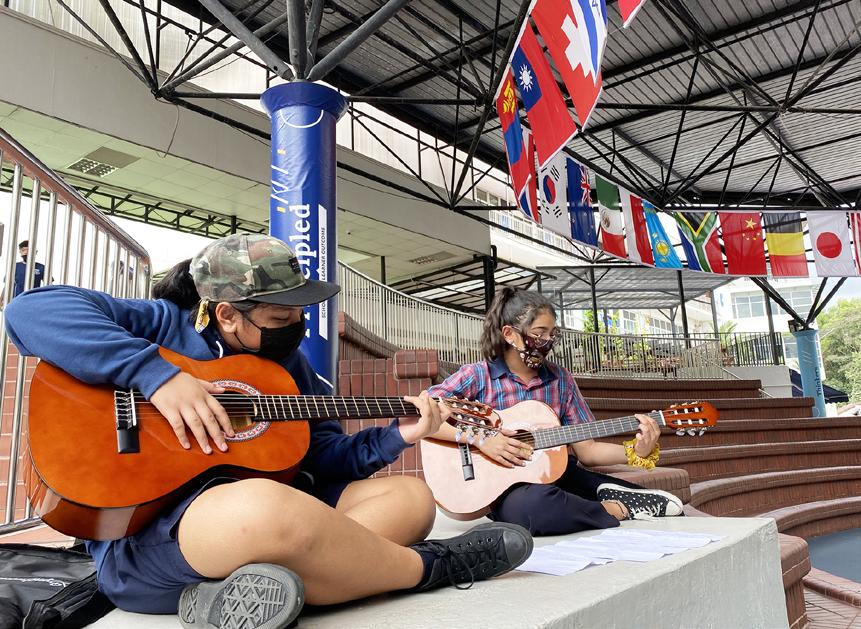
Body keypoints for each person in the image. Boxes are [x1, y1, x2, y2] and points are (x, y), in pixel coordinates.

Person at [4, 234, 532, 629]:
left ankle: (245, 595)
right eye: (281, 318)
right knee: (265, 507)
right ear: (227, 314)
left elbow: (325, 455)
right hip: (156, 541)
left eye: (300, 314)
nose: (296, 328)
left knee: (410, 499)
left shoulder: (291, 369)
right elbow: (30, 310)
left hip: (273, 519)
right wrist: (158, 377)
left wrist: (402, 436)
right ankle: (429, 567)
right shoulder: (162, 324)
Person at [427, 287, 684, 536]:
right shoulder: (478, 375)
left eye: (552, 334)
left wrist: (636, 451)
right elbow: (422, 414)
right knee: (533, 507)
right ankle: (613, 508)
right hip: (504, 488)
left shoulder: (560, 380)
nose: (547, 342)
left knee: (671, 508)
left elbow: (588, 451)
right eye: (539, 334)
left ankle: (594, 500)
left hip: (559, 475)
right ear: (509, 334)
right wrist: (481, 439)